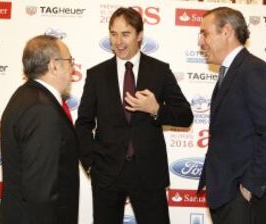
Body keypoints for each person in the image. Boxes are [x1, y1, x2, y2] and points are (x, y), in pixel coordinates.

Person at [75, 7, 193, 224]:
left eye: (125, 34)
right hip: (107, 173)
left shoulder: (159, 71)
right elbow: (83, 123)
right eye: (113, 33)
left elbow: (186, 115)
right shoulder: (96, 75)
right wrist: (91, 162)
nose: (118, 41)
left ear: (139, 36)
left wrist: (156, 109)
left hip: (148, 172)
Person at [197, 7, 266, 224]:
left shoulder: (253, 71)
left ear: (227, 32)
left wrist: (249, 187)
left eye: (205, 33)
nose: (201, 42)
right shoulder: (231, 71)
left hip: (244, 199)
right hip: (226, 194)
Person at [0, 35, 79, 224]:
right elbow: (41, 192)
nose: (72, 69)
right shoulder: (42, 110)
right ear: (54, 66)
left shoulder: (25, 96)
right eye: (69, 61)